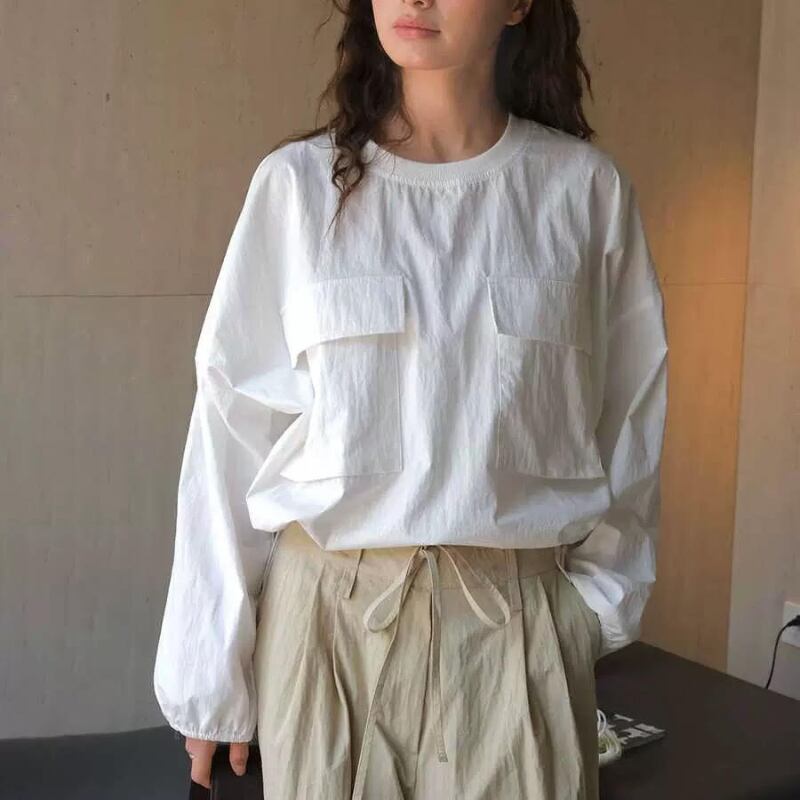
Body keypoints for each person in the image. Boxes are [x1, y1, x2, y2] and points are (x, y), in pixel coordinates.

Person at [153, 0, 669, 797]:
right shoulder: (299, 189)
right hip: (324, 632)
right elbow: (231, 431)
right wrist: (209, 673)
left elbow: (630, 419)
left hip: (516, 633)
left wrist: (588, 616)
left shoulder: (584, 193)